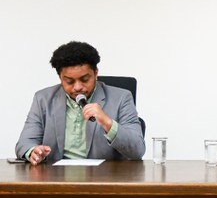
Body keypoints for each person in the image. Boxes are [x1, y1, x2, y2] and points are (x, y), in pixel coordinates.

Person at [15, 41, 146, 165]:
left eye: (84, 79)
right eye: (69, 81)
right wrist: (33, 151)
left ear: (95, 73)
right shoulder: (43, 99)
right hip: (56, 179)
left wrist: (107, 122)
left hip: (104, 179)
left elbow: (137, 150)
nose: (77, 87)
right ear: (60, 78)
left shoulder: (122, 98)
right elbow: (25, 142)